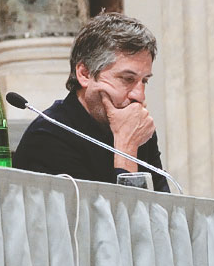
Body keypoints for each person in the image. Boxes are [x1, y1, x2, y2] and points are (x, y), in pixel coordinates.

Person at [13, 13, 169, 191]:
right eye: (127, 79)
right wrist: (126, 147)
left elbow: (163, 212)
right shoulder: (47, 137)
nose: (139, 96)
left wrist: (128, 140)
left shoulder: (136, 127)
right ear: (85, 74)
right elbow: (104, 217)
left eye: (144, 81)